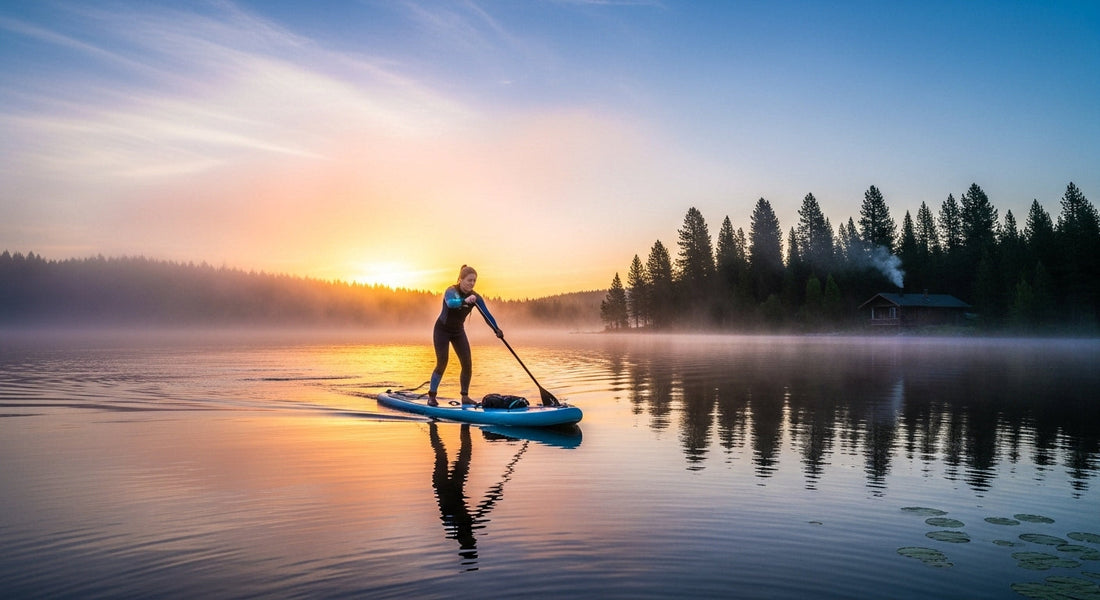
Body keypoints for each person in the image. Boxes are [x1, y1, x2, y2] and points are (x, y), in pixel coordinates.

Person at [427, 265, 502, 406]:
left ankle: (465, 397)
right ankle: (432, 396)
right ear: (461, 279)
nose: (472, 283)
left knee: (467, 364)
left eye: (474, 281)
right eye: (469, 280)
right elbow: (450, 303)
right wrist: (464, 301)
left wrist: (496, 329)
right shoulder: (451, 290)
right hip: (442, 330)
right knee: (442, 362)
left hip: (458, 332)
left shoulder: (476, 297)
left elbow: (487, 315)